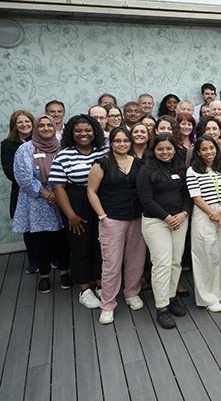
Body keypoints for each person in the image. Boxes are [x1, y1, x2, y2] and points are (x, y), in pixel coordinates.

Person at [87, 127, 147, 324]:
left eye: (126, 141)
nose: (122, 144)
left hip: (136, 218)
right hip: (112, 219)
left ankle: (131, 293)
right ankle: (108, 304)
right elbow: (91, 191)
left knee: (136, 259)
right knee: (111, 264)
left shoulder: (139, 163)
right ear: (111, 143)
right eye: (118, 141)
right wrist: (102, 216)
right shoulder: (101, 164)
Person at [48, 114, 107, 309]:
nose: (84, 134)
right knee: (80, 246)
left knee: (100, 245)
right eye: (78, 131)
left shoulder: (103, 151)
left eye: (88, 130)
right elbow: (58, 187)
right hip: (76, 204)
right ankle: (84, 288)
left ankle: (99, 283)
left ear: (95, 132)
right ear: (71, 133)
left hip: (100, 203)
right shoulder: (64, 155)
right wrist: (71, 215)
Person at [137, 134, 191, 329]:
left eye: (168, 148)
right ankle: (161, 307)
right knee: (162, 263)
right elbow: (146, 200)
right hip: (156, 222)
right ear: (154, 150)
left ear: (174, 149)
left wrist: (184, 213)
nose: (165, 152)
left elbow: (187, 194)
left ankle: (170, 296)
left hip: (180, 220)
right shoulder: (145, 171)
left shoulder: (180, 168)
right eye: (161, 149)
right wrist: (167, 217)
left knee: (176, 262)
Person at [12, 115, 70, 292]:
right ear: (36, 128)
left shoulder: (62, 147)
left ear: (54, 127)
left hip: (62, 198)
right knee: (41, 241)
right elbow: (23, 176)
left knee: (62, 239)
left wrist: (58, 194)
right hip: (36, 202)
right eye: (42, 125)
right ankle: (44, 275)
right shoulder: (25, 149)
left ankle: (64, 272)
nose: (46, 128)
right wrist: (45, 193)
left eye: (49, 125)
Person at [187, 135, 221, 312]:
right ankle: (209, 297)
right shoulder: (192, 171)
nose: (209, 152)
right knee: (205, 255)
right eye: (204, 149)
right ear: (198, 152)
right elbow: (196, 198)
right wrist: (214, 214)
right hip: (203, 214)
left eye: (211, 148)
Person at [2, 110, 34, 221]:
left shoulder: (42, 141)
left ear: (32, 123)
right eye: (19, 122)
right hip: (21, 191)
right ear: (14, 125)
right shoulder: (6, 145)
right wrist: (31, 184)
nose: (24, 124)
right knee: (28, 231)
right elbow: (10, 172)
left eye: (27, 121)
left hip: (45, 192)